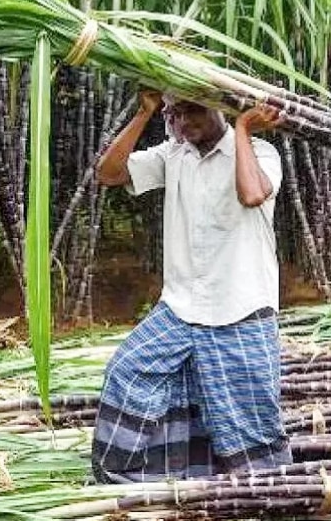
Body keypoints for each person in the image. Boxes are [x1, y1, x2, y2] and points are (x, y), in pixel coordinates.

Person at [89, 90, 290, 483]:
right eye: (174, 114)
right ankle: (136, 483)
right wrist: (145, 112)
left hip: (240, 309)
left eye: (193, 110)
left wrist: (244, 128)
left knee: (249, 421)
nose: (183, 122)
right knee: (127, 373)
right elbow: (108, 174)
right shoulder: (173, 154)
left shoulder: (260, 153)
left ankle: (265, 493)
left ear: (220, 107)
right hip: (181, 308)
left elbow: (252, 194)